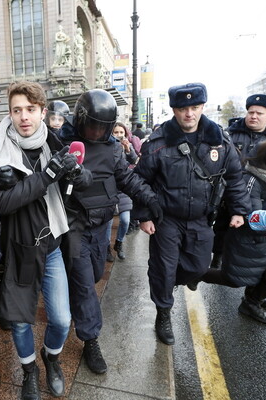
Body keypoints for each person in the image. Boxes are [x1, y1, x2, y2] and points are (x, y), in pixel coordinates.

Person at [0, 81, 91, 399]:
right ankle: (29, 371)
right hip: (19, 250)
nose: (24, 117)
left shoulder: (55, 143)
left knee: (61, 319)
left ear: (43, 112)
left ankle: (51, 358)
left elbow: (85, 182)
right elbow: (3, 203)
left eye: (31, 109)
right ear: (10, 113)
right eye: (17, 110)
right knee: (20, 322)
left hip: (52, 248)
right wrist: (47, 175)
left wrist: (76, 174)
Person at [133, 83, 251, 345]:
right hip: (166, 219)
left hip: (201, 219)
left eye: (194, 107)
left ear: (202, 107)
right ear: (174, 109)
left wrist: (239, 210)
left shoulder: (219, 140)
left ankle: (168, 284)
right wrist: (144, 215)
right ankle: (163, 313)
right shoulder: (158, 143)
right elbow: (140, 181)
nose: (189, 114)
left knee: (198, 267)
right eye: (183, 108)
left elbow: (235, 177)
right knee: (164, 269)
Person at [59, 89, 161, 374]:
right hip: (74, 226)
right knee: (84, 286)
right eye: (92, 125)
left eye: (103, 128)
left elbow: (126, 177)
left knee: (93, 276)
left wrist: (149, 198)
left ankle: (76, 304)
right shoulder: (63, 142)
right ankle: (90, 338)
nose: (97, 132)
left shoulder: (113, 147)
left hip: (101, 224)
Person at [191, 138, 266, 324]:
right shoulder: (252, 180)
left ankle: (251, 301)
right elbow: (251, 218)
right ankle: (195, 274)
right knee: (234, 279)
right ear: (265, 161)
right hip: (247, 240)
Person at [210, 94, 266, 268]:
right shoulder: (232, 133)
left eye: (259, 113)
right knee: (223, 227)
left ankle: (250, 280)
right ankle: (217, 258)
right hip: (231, 192)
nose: (253, 116)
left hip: (262, 195)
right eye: (251, 112)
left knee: (257, 235)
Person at [107, 122, 140, 260]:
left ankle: (119, 243)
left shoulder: (128, 145)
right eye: (116, 132)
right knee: (107, 222)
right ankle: (106, 247)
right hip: (110, 188)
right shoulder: (108, 146)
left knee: (125, 220)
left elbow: (134, 160)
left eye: (121, 132)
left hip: (124, 189)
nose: (119, 135)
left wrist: (127, 149)